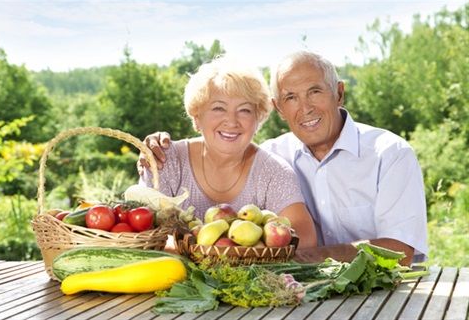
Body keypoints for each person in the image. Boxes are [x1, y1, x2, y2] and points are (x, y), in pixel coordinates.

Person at [138, 51, 428, 266]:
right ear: (278, 108)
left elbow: (400, 252)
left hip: (385, 292)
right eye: (291, 98)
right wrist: (154, 148)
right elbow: (141, 235)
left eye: (315, 91)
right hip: (301, 290)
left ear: (338, 93)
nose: (305, 109)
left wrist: (308, 257)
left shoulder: (390, 154)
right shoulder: (275, 154)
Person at [139, 55, 317, 250]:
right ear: (197, 118)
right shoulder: (166, 160)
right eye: (218, 108)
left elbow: (305, 240)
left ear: (257, 121)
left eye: (244, 110)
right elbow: (142, 233)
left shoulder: (274, 171)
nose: (231, 121)